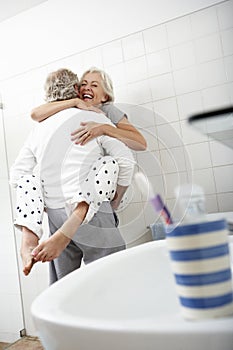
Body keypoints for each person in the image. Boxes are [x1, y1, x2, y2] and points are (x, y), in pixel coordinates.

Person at [10, 68, 135, 283]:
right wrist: (116, 199)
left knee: (64, 287)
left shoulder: (38, 128)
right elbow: (126, 160)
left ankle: (29, 236)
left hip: (55, 215)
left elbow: (17, 175)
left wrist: (44, 202)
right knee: (113, 278)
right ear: (76, 89)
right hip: (91, 209)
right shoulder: (92, 117)